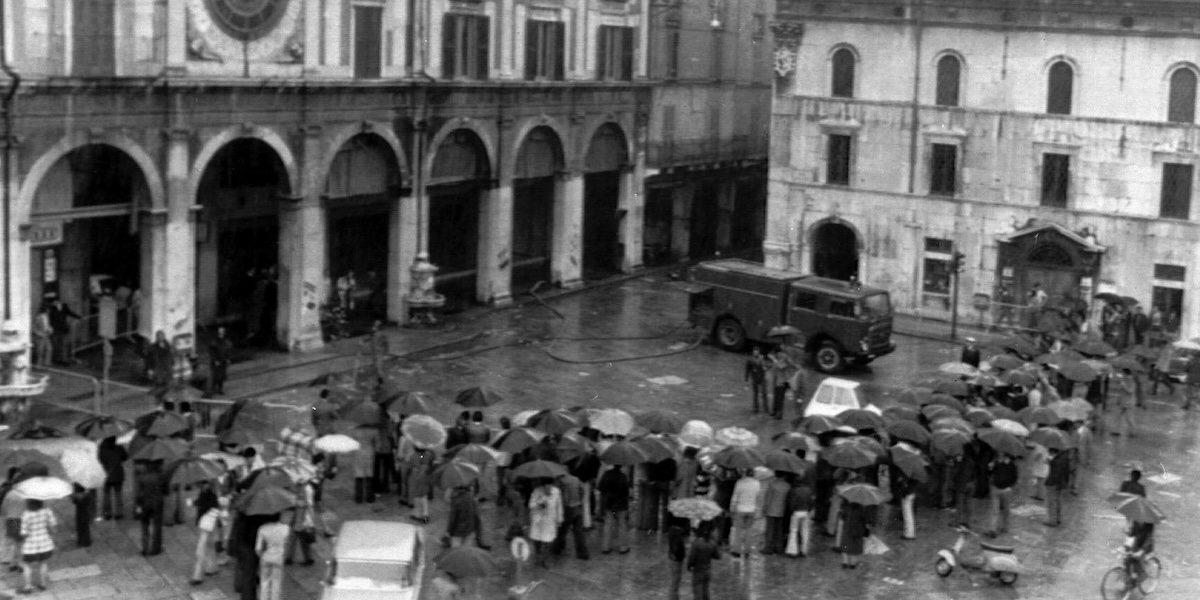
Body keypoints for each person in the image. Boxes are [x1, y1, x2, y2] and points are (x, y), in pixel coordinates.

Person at [18, 499, 57, 594]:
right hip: (45, 544)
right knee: (43, 563)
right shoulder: (47, 511)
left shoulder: (26, 514)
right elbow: (53, 527)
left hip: (30, 546)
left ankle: (28, 586)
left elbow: (24, 533)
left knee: (26, 564)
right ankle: (43, 584)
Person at [191, 495, 228, 585]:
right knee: (210, 547)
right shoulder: (216, 508)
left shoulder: (206, 509)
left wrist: (194, 502)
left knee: (201, 551)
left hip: (207, 528)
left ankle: (197, 576)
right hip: (212, 528)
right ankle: (212, 568)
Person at [552, 472, 589, 559]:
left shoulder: (561, 481)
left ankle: (557, 547)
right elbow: (582, 491)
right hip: (577, 507)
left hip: (568, 508)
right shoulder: (576, 479)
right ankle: (583, 553)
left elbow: (562, 496)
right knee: (579, 532)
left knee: (562, 530)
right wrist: (579, 500)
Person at [528, 478, 563, 568]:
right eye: (546, 486)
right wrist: (540, 503)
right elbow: (531, 504)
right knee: (537, 540)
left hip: (550, 520)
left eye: (550, 486)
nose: (548, 488)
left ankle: (545, 560)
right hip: (538, 520)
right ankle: (538, 556)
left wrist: (559, 519)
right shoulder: (536, 491)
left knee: (548, 541)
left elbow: (559, 506)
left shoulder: (556, 491)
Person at [256, 513, 290, 600]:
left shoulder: (262, 528)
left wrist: (261, 556)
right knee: (277, 582)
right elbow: (287, 545)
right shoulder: (286, 528)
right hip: (279, 557)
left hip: (266, 557)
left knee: (264, 581)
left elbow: (258, 548)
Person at [597, 464, 631, 554]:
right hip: (621, 505)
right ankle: (623, 547)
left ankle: (606, 547)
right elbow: (626, 492)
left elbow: (600, 487)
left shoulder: (607, 474)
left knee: (608, 524)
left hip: (610, 504)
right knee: (621, 524)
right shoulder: (623, 477)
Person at [729, 468, 761, 557]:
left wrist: (732, 509)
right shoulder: (757, 484)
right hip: (752, 509)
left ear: (745, 473)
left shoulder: (740, 482)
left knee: (738, 530)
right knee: (749, 530)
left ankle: (737, 550)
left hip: (740, 509)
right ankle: (747, 551)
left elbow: (735, 497)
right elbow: (758, 498)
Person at [136, 462, 166, 555]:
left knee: (144, 526)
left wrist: (138, 505)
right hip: (157, 503)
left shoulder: (141, 477)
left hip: (145, 503)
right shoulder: (160, 476)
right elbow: (166, 490)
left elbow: (138, 494)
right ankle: (155, 549)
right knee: (157, 526)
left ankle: (145, 548)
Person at [285, 479, 317, 565]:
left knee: (303, 541)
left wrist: (296, 501)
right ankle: (290, 558)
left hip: (302, 520)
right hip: (297, 519)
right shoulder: (301, 490)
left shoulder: (307, 490)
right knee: (293, 540)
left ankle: (307, 559)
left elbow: (307, 504)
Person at [686, 523, 720, 600]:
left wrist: (689, 566)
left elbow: (691, 558)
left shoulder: (696, 543)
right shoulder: (711, 543)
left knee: (698, 593)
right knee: (705, 592)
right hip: (707, 571)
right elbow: (718, 556)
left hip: (698, 571)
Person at [987, 453, 1018, 537]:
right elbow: (990, 473)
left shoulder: (1013, 466)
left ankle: (1005, 526)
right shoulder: (997, 463)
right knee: (995, 510)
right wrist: (990, 467)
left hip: (1006, 490)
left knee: (1006, 510)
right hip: (996, 489)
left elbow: (1015, 478)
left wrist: (1010, 487)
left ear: (1008, 457)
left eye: (1004, 456)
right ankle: (993, 529)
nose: (1002, 457)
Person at [760, 471, 791, 554]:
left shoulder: (772, 485)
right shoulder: (787, 486)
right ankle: (778, 547)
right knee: (779, 530)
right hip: (782, 511)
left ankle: (768, 547)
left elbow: (768, 498)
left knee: (770, 530)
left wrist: (764, 509)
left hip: (771, 510)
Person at [98, 436, 128, 520]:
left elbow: (99, 460)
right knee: (118, 494)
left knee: (106, 494)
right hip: (118, 473)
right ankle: (119, 513)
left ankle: (107, 513)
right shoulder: (118, 447)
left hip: (106, 474)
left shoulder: (101, 448)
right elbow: (125, 457)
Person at [46, 297, 80, 365]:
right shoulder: (51, 309)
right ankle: (58, 359)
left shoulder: (64, 306)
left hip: (63, 329)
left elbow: (70, 312)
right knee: (56, 345)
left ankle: (63, 360)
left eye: (55, 302)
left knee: (64, 345)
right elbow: (49, 319)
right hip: (55, 330)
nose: (54, 304)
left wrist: (78, 317)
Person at [766, 345, 797, 420]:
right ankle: (774, 411)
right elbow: (772, 367)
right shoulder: (779, 358)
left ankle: (779, 414)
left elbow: (781, 366)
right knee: (776, 397)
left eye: (777, 353)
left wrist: (774, 359)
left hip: (782, 382)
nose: (777, 355)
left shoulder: (784, 358)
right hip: (776, 381)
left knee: (780, 398)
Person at [407, 447, 435, 523]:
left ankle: (418, 514)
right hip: (425, 477)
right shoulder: (428, 455)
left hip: (416, 477)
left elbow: (411, 465)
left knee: (417, 497)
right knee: (424, 496)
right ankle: (425, 515)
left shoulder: (415, 456)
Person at [1043, 447, 1070, 527]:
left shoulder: (1056, 461)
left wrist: (1051, 462)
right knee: (1057, 501)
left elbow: (1055, 473)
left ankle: (1052, 521)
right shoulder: (1064, 457)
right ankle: (1058, 518)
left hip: (1053, 483)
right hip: (1061, 483)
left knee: (1051, 502)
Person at [839, 501, 868, 569]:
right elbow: (865, 520)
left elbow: (842, 516)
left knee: (845, 545)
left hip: (848, 530)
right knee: (855, 548)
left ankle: (845, 562)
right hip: (858, 531)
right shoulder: (862, 509)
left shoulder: (847, 507)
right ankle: (853, 563)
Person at [208, 327, 232, 397]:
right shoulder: (214, 342)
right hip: (216, 362)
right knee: (214, 376)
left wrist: (228, 359)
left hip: (222, 361)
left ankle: (220, 389)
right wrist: (214, 360)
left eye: (222, 332)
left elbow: (228, 350)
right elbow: (212, 352)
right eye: (220, 332)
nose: (221, 334)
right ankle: (212, 389)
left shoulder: (226, 342)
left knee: (221, 377)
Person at [667, 523, 688, 600]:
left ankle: (674, 597)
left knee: (674, 581)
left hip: (673, 561)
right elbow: (676, 550)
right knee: (675, 582)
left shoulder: (672, 537)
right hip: (676, 562)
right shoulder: (678, 539)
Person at [69, 483, 94, 548]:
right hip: (86, 513)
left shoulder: (76, 497)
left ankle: (80, 541)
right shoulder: (87, 495)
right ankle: (87, 541)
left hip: (79, 514)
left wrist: (71, 495)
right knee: (86, 528)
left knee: (79, 528)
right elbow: (91, 499)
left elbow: (73, 501)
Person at [744, 345, 768, 413]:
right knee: (755, 394)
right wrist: (746, 380)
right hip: (755, 378)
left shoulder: (762, 358)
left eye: (757, 352)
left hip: (762, 378)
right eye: (754, 352)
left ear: (759, 352)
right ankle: (756, 408)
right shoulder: (750, 360)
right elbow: (747, 370)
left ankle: (766, 408)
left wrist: (765, 368)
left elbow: (766, 367)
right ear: (753, 352)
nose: (755, 353)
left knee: (764, 393)